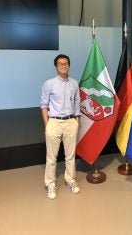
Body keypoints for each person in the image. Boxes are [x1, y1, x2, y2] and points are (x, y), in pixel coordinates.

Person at [40, 54, 81, 200]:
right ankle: (50, 183)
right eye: (60, 63)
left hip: (70, 122)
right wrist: (47, 124)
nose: (63, 65)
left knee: (70, 156)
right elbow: (44, 105)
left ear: (69, 65)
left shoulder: (74, 83)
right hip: (54, 122)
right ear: (56, 66)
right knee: (52, 157)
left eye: (66, 63)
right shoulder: (49, 83)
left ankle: (70, 179)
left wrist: (76, 121)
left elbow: (77, 102)